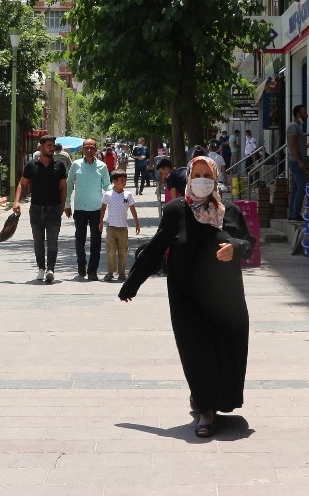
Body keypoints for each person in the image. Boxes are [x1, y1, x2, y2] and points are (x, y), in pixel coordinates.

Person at [119, 156, 255, 438]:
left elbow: (249, 244)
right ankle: (206, 409)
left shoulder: (228, 211)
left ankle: (216, 401)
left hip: (225, 297)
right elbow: (156, 249)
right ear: (189, 177)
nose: (202, 178)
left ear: (216, 178)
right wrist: (131, 284)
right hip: (187, 297)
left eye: (208, 174)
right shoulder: (175, 211)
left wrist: (235, 248)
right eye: (198, 173)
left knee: (226, 348)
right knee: (196, 351)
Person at [13, 135, 68, 283]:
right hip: (36, 209)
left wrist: (62, 206)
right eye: (49, 145)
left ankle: (50, 269)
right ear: (41, 147)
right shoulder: (31, 166)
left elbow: (63, 187)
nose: (52, 148)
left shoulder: (59, 165)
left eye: (53, 145)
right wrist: (16, 202)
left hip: (54, 209)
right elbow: (22, 184)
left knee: (52, 241)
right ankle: (41, 268)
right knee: (38, 241)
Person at [65, 138, 111, 281]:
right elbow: (69, 184)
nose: (89, 151)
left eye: (92, 148)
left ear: (96, 149)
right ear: (82, 149)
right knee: (80, 238)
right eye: (87, 148)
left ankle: (92, 270)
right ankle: (81, 263)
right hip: (79, 208)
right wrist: (67, 204)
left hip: (96, 209)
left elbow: (107, 185)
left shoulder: (102, 167)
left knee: (96, 240)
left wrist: (115, 194)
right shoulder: (75, 165)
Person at [99, 169, 140, 282]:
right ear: (114, 181)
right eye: (122, 180)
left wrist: (137, 223)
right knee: (111, 251)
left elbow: (132, 209)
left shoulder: (128, 195)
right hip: (111, 227)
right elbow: (103, 209)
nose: (124, 183)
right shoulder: (108, 194)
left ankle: (122, 273)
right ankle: (110, 273)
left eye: (125, 180)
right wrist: (100, 222)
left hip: (123, 228)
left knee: (123, 251)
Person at [286, 104, 309, 222]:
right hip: (296, 162)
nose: (307, 115)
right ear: (298, 114)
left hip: (295, 161)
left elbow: (297, 144)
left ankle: (292, 213)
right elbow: (293, 145)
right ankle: (295, 213)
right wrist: (300, 161)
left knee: (295, 188)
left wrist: (306, 146)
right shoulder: (294, 127)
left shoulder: (297, 127)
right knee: (301, 187)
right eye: (304, 113)